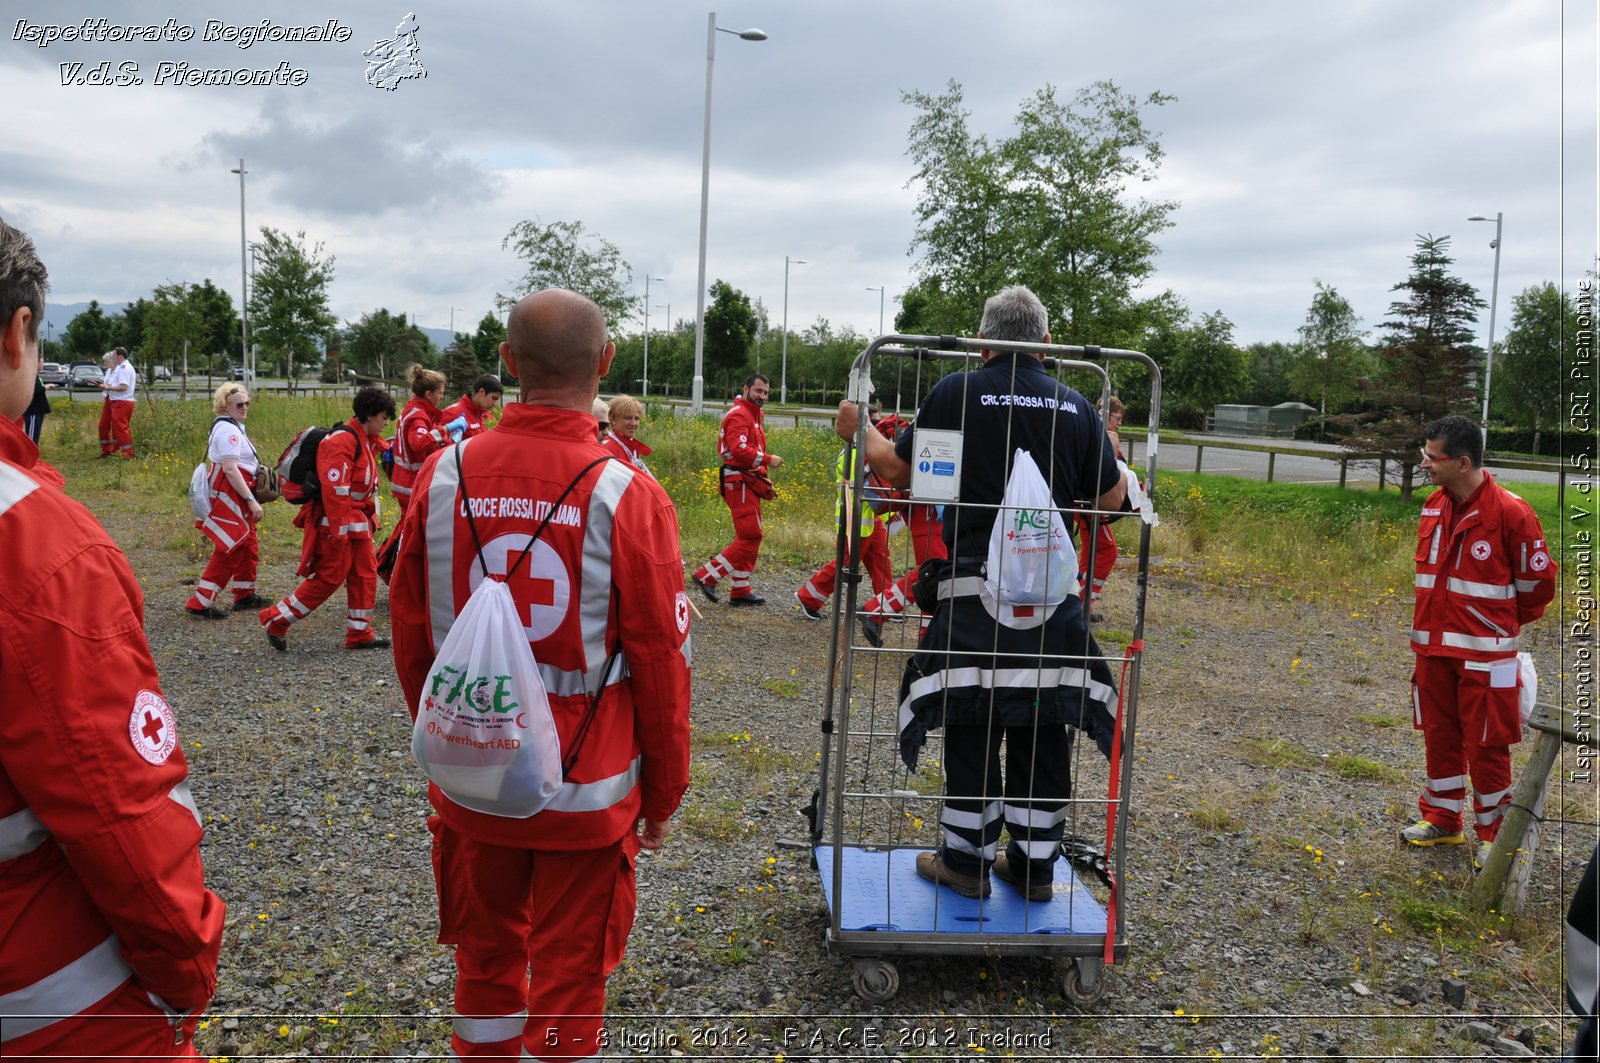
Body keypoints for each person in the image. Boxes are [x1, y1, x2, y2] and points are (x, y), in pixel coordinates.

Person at [389, 288, 691, 1062]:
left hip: (472, 779)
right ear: (607, 363)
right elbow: (662, 665)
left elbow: (413, 638)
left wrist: (451, 738)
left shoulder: (443, 475)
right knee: (570, 977)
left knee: (484, 963)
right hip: (584, 798)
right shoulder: (628, 493)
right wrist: (661, 794)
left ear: (508, 362)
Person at [0, 215, 225, 1059]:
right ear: (20, 331)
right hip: (46, 996)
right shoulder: (35, 545)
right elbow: (116, 804)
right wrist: (187, 963)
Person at [835, 285, 1125, 902]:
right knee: (1045, 721)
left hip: (972, 594)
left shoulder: (956, 393)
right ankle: (1033, 866)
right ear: (1047, 345)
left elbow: (905, 475)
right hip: (1054, 604)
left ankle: (965, 861)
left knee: (972, 714)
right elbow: (1108, 505)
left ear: (985, 341)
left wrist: (858, 430)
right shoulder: (1077, 407)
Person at [1403, 414, 1557, 870]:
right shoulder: (1433, 504)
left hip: (1487, 656)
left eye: (1433, 457)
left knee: (1488, 743)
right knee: (1439, 734)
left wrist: (1497, 625)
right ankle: (1442, 818)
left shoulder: (1512, 512)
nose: (1425, 463)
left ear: (1463, 462)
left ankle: (1494, 835)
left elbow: (1537, 587)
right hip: (1433, 650)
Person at [259, 387, 396, 651]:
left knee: (365, 574)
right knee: (328, 579)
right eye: (383, 416)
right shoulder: (342, 441)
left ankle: (359, 632)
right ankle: (276, 619)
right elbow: (335, 492)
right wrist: (339, 530)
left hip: (357, 524)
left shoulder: (366, 438)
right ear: (369, 415)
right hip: (338, 524)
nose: (387, 421)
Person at [691, 372, 783, 606]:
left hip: (748, 479)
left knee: (749, 535)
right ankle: (707, 575)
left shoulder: (754, 414)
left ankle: (741, 589)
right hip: (738, 479)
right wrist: (767, 459)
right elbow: (739, 450)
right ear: (746, 388)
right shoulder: (740, 414)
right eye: (758, 391)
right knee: (752, 534)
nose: (762, 396)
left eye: (765, 392)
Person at [795, 410, 893, 621]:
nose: (878, 427)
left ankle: (887, 606)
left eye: (878, 422)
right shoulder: (858, 453)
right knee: (845, 563)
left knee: (881, 563)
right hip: (855, 519)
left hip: (869, 519)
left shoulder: (862, 450)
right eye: (873, 423)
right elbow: (875, 487)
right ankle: (809, 597)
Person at [184, 383, 267, 618]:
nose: (244, 408)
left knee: (248, 542)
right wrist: (251, 500)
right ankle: (201, 602)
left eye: (247, 403)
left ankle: (244, 594)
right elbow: (231, 470)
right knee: (231, 546)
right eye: (239, 404)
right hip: (231, 492)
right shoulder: (229, 430)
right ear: (225, 406)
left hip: (232, 490)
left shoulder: (230, 425)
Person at [1076, 395, 1126, 622]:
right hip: (1090, 502)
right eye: (1117, 417)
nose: (1119, 423)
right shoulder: (1103, 438)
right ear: (1105, 415)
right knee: (1107, 550)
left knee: (1091, 550)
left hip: (1086, 500)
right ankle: (1083, 601)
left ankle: (1079, 602)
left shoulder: (1093, 434)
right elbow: (1109, 469)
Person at [391, 364, 463, 518]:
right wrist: (446, 429)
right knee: (412, 529)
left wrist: (450, 442)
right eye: (440, 393)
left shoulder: (415, 409)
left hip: (406, 479)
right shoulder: (419, 415)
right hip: (411, 481)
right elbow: (419, 443)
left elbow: (428, 439)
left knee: (406, 528)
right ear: (429, 394)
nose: (442, 397)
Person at [97, 345, 137, 458]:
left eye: (114, 356)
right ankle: (120, 451)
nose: (113, 358)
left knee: (121, 428)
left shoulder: (124, 368)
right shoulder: (124, 367)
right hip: (118, 400)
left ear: (120, 356)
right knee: (119, 427)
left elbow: (123, 387)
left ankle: (128, 453)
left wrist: (108, 387)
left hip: (121, 401)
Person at [603, 394, 654, 476]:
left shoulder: (627, 444)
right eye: (628, 418)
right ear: (613, 419)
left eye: (637, 419)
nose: (634, 423)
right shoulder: (608, 447)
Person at [441, 373, 503, 439]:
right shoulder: (452, 413)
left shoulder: (485, 415)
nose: (495, 404)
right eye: (493, 398)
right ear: (481, 392)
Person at [22, 372, 48, 443]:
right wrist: (46, 387)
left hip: (39, 409)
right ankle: (28, 452)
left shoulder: (36, 376)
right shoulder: (30, 375)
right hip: (32, 410)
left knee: (36, 435)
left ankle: (33, 451)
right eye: (41, 362)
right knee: (31, 436)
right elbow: (37, 389)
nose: (43, 364)